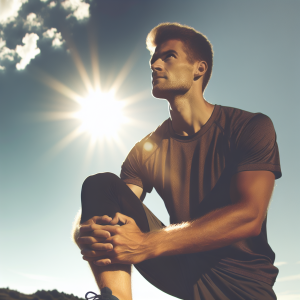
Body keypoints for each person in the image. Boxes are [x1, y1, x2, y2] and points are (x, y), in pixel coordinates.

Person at [73, 23, 281, 300]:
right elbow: (109, 210)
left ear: (199, 68)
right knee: (101, 185)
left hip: (242, 284)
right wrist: (85, 231)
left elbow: (250, 216)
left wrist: (148, 243)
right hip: (182, 269)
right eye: (153, 60)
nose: (155, 65)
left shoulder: (249, 126)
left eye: (168, 56)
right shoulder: (146, 151)